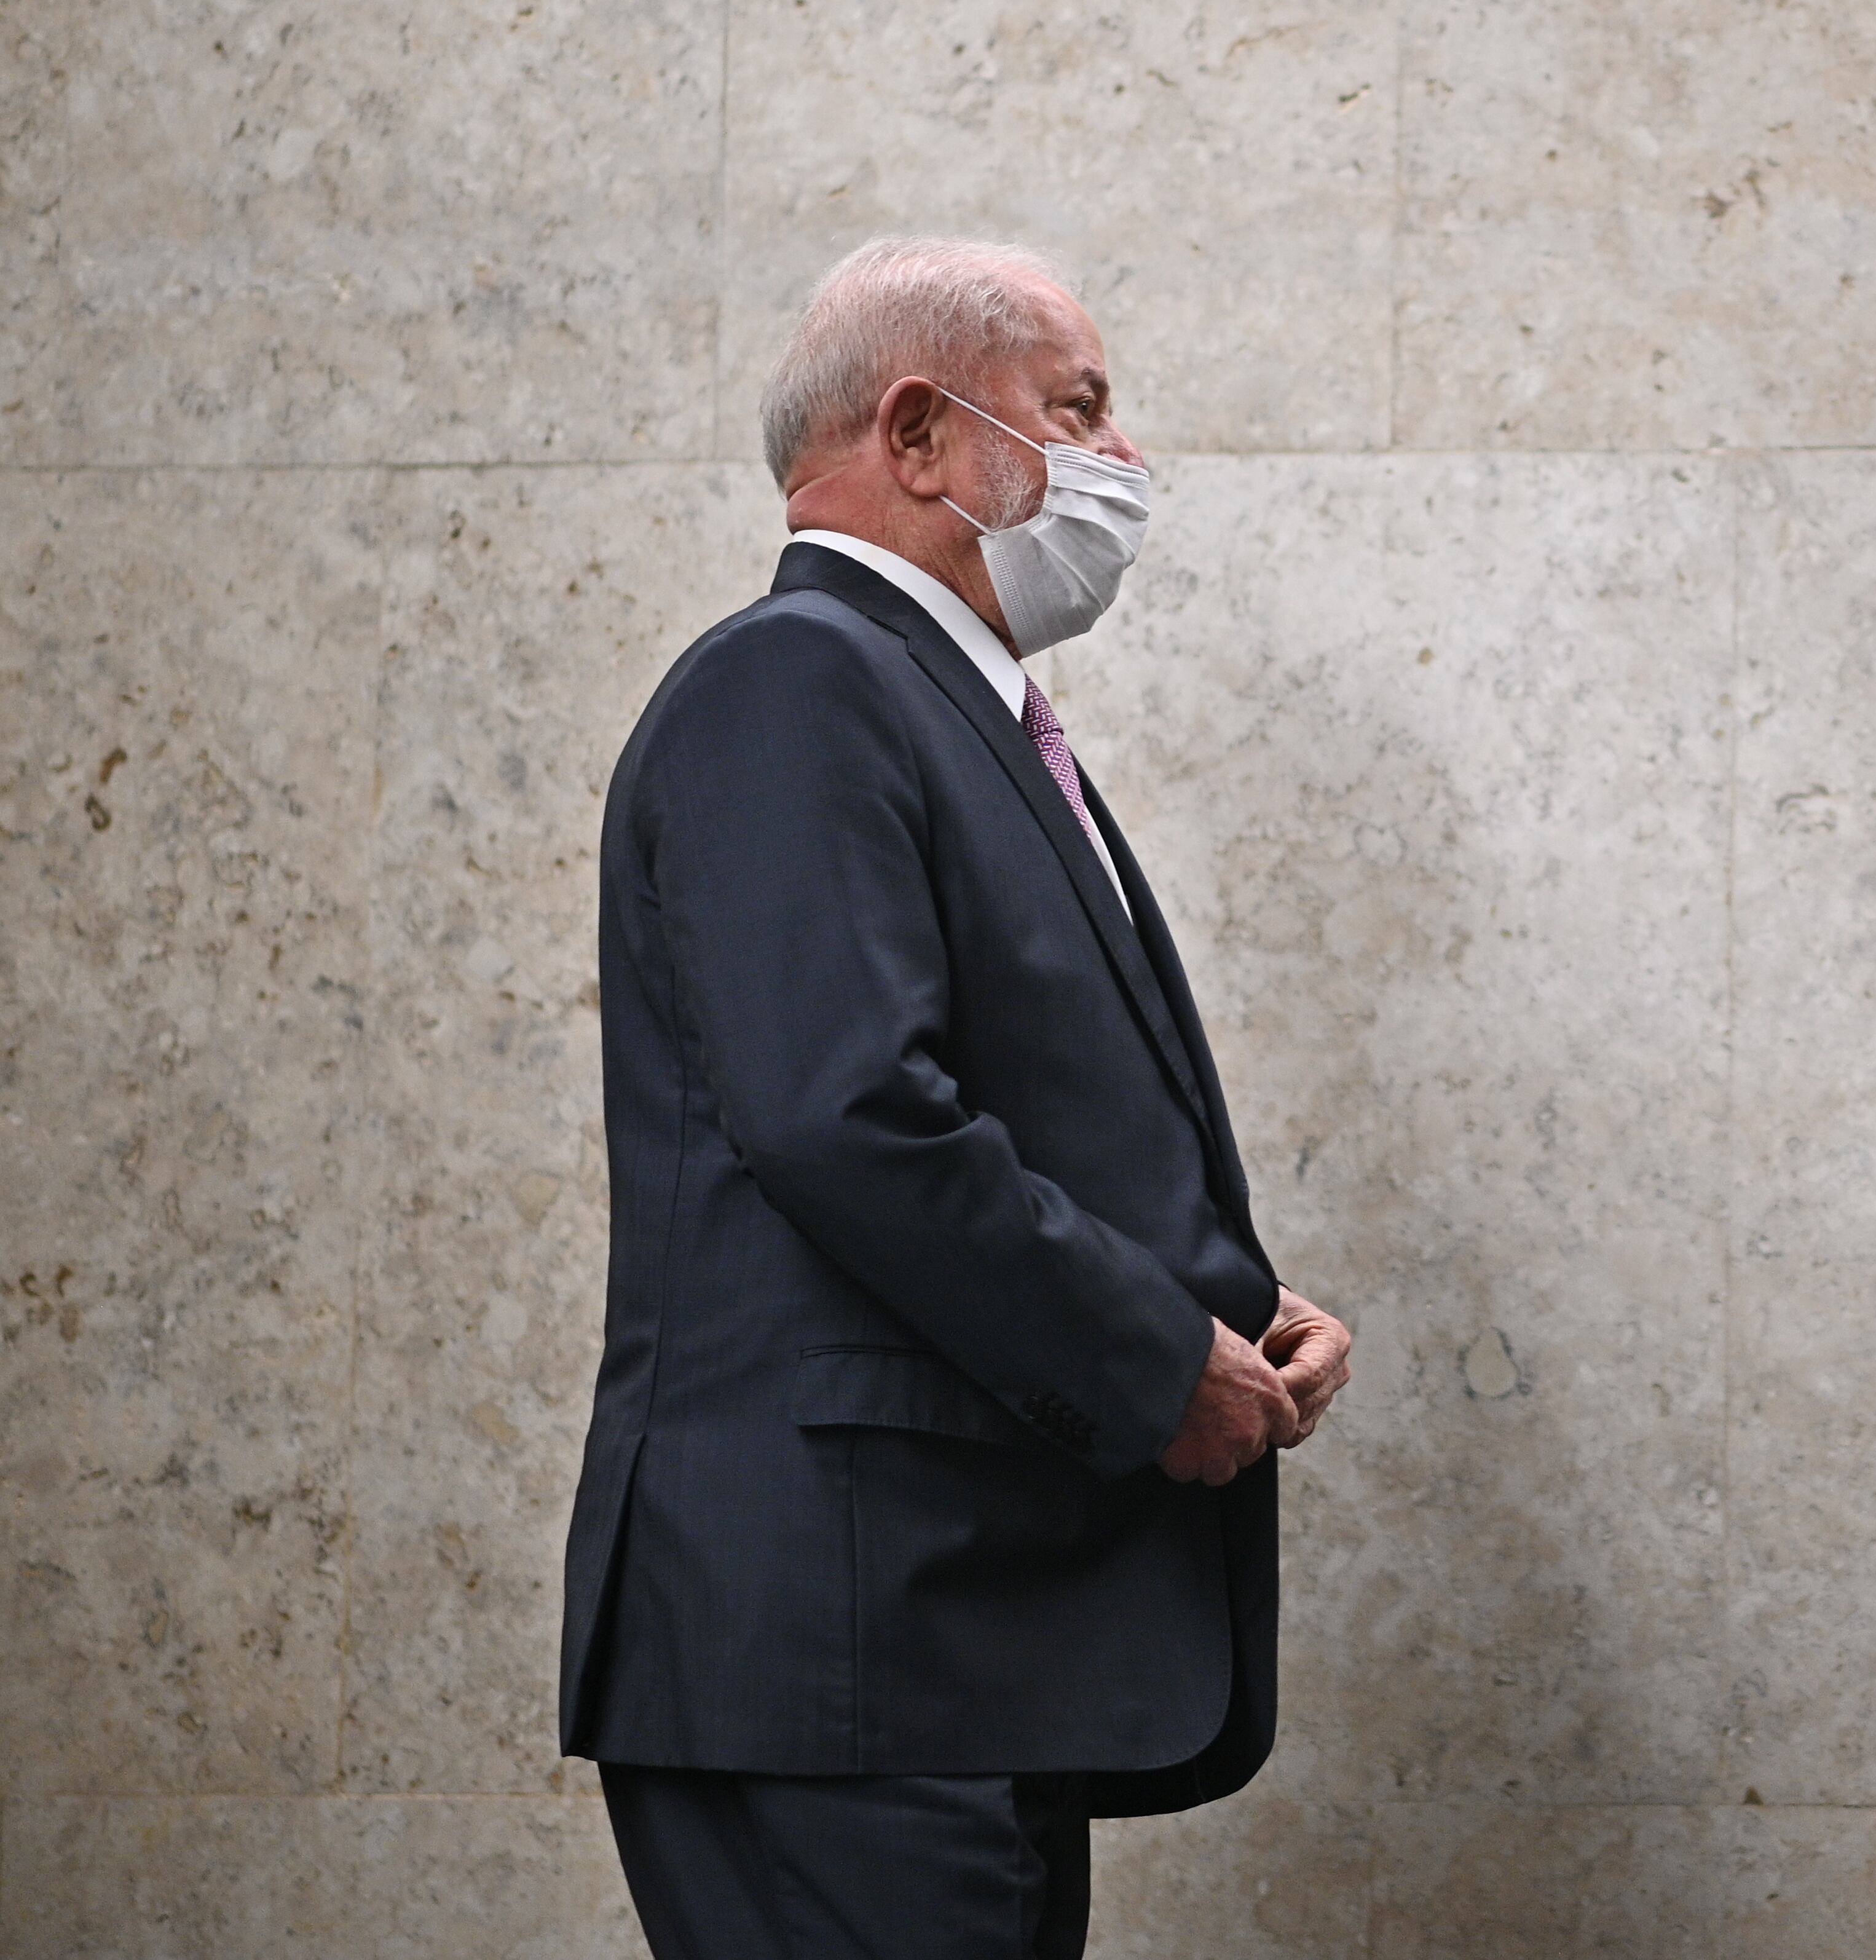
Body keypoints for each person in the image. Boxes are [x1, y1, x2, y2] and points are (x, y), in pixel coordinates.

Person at [554, 235, 1352, 1958]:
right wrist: (1153, 1365)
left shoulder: (938, 706)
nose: (1123, 466)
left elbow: (973, 1103)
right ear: (917, 436)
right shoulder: (796, 683)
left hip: (934, 1662)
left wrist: (1225, 1309)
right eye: (1079, 410)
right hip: (851, 1657)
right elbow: (850, 1113)